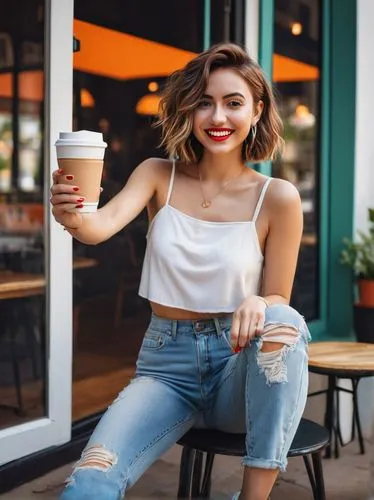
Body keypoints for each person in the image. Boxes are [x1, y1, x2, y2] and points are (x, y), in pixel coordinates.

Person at [50, 43, 311, 500]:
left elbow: (278, 300)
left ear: (257, 110)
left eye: (233, 103)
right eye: (204, 102)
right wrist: (73, 216)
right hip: (165, 368)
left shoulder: (278, 197)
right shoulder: (157, 174)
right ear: (189, 111)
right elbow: (98, 227)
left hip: (238, 369)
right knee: (89, 482)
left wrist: (260, 301)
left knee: (283, 323)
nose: (218, 116)